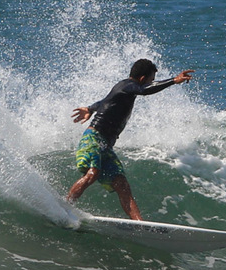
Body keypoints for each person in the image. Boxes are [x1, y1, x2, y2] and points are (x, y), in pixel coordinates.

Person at [67, 59, 193, 220]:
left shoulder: (123, 89)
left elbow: (105, 102)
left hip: (106, 145)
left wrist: (90, 108)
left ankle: (140, 224)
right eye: (151, 79)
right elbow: (145, 90)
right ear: (142, 79)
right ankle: (66, 207)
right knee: (93, 173)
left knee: (122, 184)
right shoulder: (128, 85)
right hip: (93, 138)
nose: (151, 82)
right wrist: (173, 80)